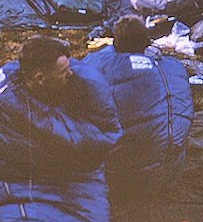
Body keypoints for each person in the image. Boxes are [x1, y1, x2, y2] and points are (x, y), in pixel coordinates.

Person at [0, 35, 121, 222]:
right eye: (63, 71)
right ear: (40, 78)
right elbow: (66, 139)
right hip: (14, 174)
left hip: (53, 171)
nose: (71, 74)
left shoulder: (65, 79)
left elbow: (98, 134)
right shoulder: (6, 102)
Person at [82, 14, 193, 197]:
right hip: (168, 175)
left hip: (116, 181)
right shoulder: (174, 67)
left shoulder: (98, 63)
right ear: (147, 42)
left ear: (115, 43)